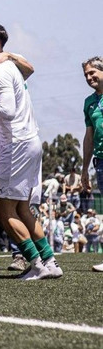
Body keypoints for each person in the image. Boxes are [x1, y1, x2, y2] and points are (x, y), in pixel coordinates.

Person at [0, 22, 60, 279]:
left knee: (1, 209)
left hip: (16, 146)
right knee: (22, 208)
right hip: (28, 141)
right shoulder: (7, 67)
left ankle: (35, 263)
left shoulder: (1, 71)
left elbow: (8, 110)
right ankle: (50, 261)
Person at [79, 56, 103, 270]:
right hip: (101, 160)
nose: (89, 77)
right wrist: (84, 169)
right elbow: (88, 137)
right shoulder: (89, 103)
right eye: (86, 74)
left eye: (92, 73)